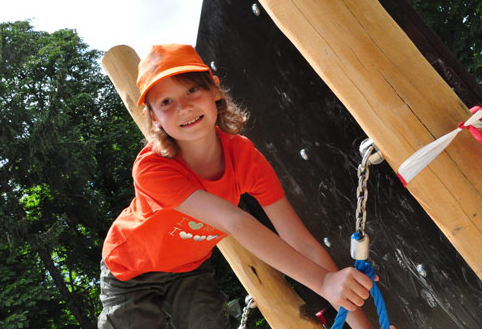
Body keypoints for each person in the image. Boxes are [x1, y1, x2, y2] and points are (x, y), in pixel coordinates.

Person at [98, 44, 384, 329]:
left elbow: (302, 243)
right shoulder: (153, 168)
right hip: (130, 272)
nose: (183, 107)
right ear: (154, 118)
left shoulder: (243, 157)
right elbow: (234, 220)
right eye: (166, 103)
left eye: (191, 90)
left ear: (215, 91)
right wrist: (322, 282)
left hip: (189, 269)